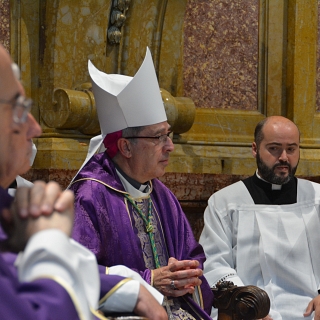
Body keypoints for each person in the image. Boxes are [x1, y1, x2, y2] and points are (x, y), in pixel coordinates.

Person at [0, 43, 167, 319]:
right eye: (18, 109)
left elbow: (74, 266)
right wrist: (49, 239)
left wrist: (129, 288)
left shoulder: (8, 203)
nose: (35, 127)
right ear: (126, 147)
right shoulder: (89, 193)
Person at [69, 47, 214, 319]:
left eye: (168, 135)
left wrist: (185, 274)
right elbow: (75, 272)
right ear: (125, 146)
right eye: (158, 137)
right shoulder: (88, 195)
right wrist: (148, 279)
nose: (170, 146)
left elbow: (194, 256)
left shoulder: (161, 194)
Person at [199, 115, 320, 320]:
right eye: (274, 148)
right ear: (255, 149)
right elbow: (213, 263)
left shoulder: (317, 197)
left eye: (291, 149)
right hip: (251, 313)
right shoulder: (225, 202)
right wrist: (246, 304)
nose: (284, 157)